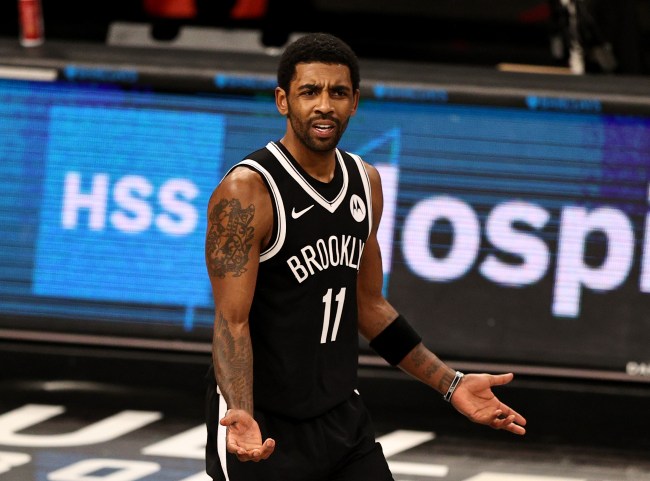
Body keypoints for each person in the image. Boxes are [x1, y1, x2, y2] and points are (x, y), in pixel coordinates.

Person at [203, 32, 527, 481]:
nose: (324, 105)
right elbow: (231, 321)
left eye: (338, 93)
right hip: (263, 425)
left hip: (341, 419)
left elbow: (369, 305)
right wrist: (241, 410)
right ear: (282, 101)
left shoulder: (365, 182)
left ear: (354, 102)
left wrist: (450, 384)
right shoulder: (248, 191)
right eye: (309, 92)